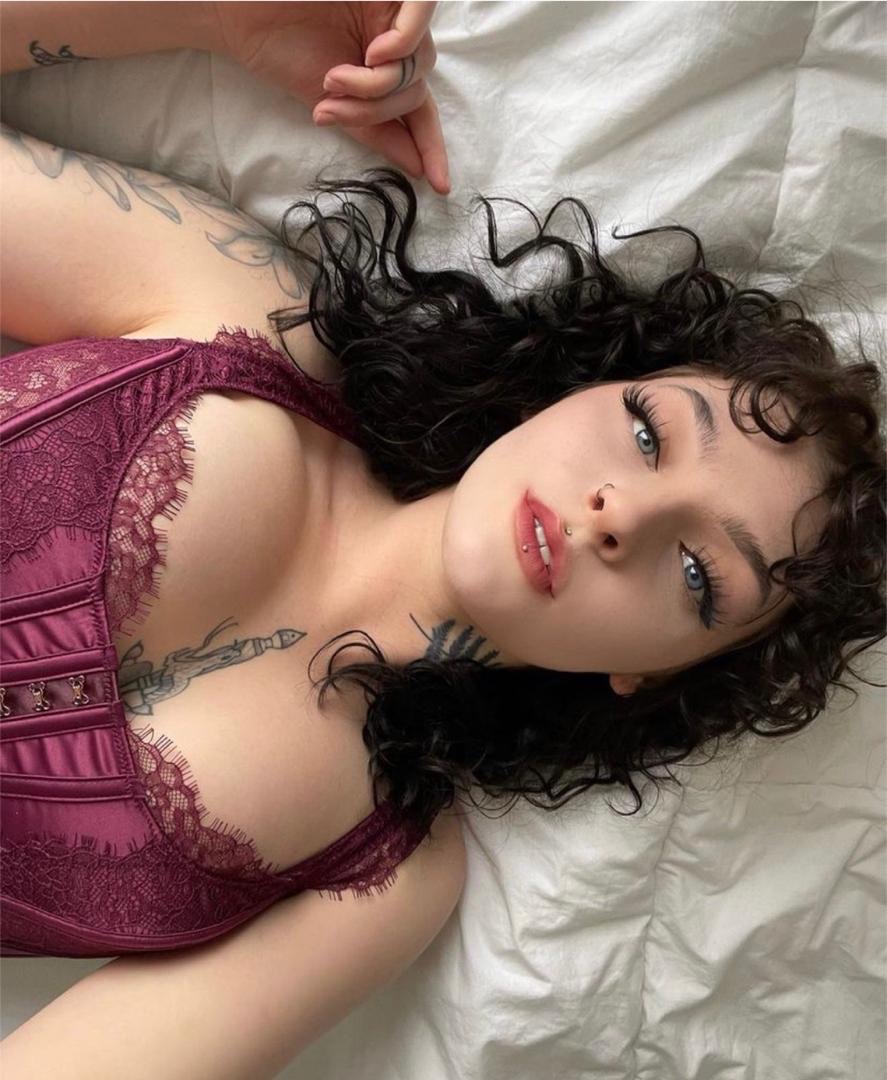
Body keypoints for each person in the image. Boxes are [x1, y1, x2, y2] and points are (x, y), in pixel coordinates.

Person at [0, 1, 884, 1073]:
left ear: (653, 676)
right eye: (649, 434)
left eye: (699, 573)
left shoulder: (386, 880)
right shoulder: (250, 317)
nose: (621, 514)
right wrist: (217, 17)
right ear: (584, 386)